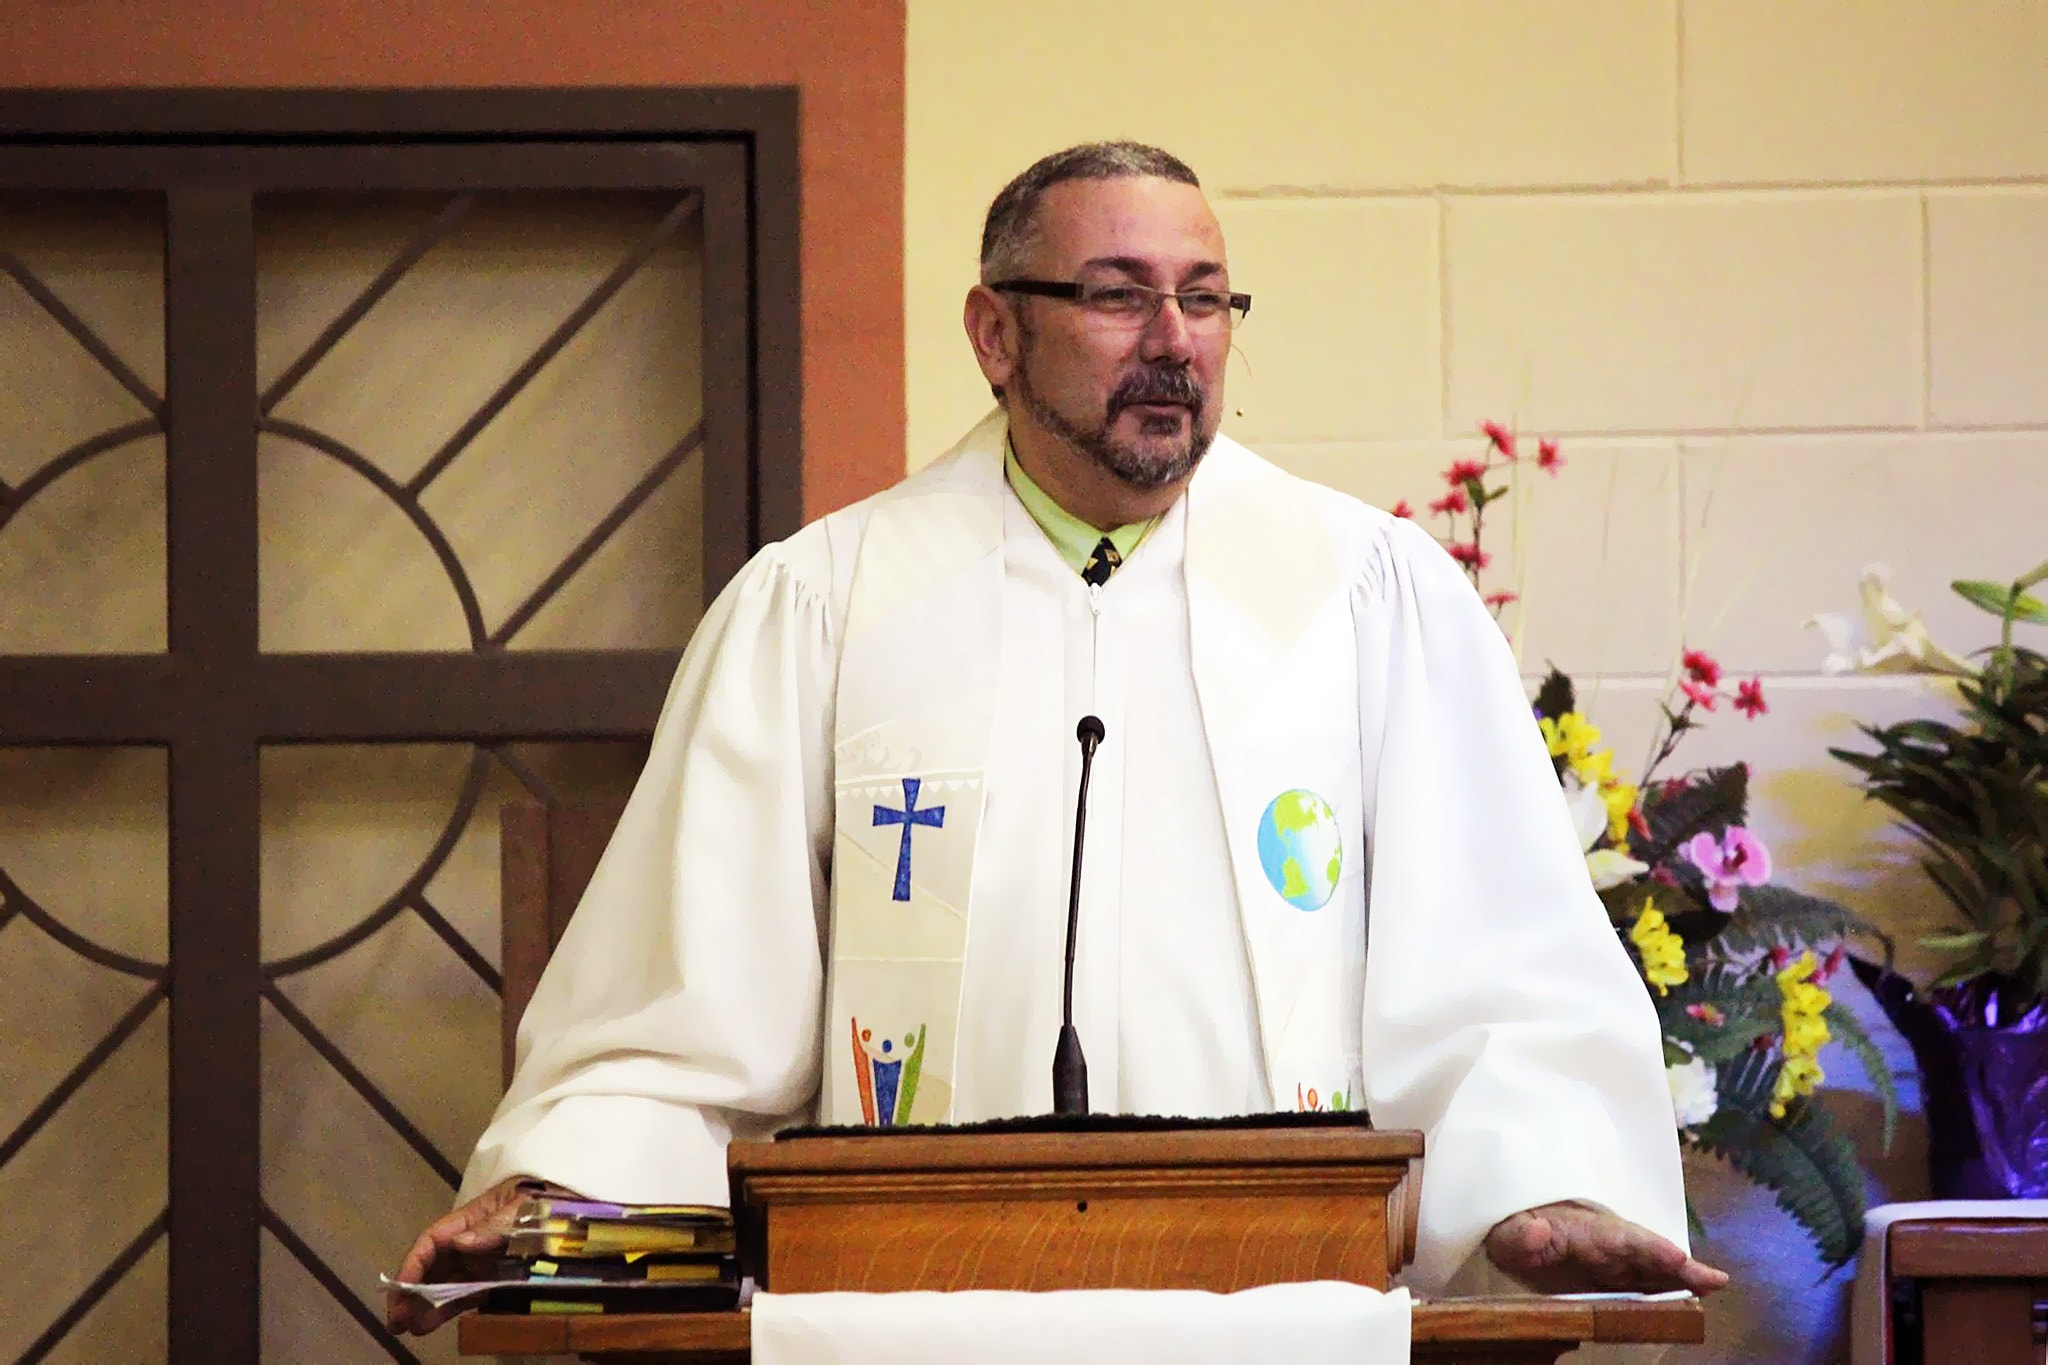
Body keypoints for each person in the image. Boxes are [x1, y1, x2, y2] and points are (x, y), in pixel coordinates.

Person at [389, 141, 1727, 1335]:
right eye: (1116, 293)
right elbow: (685, 996)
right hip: (908, 1315)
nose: (1175, 339)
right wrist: (570, 1179)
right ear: (994, 333)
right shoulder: (828, 604)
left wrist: (1546, 1180)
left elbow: (1501, 962)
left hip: (1284, 1312)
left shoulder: (1369, 597)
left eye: (1205, 298)